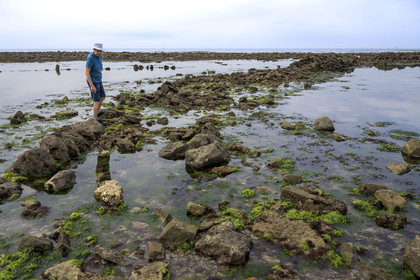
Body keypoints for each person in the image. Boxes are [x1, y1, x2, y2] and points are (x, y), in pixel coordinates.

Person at [86, 43, 105, 123]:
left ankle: (97, 111)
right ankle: (95, 119)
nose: (99, 53)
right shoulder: (90, 58)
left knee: (102, 97)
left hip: (99, 80)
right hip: (93, 81)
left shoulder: (99, 56)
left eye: (100, 51)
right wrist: (92, 86)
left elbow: (99, 64)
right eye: (97, 51)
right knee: (96, 101)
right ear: (94, 50)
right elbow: (87, 72)